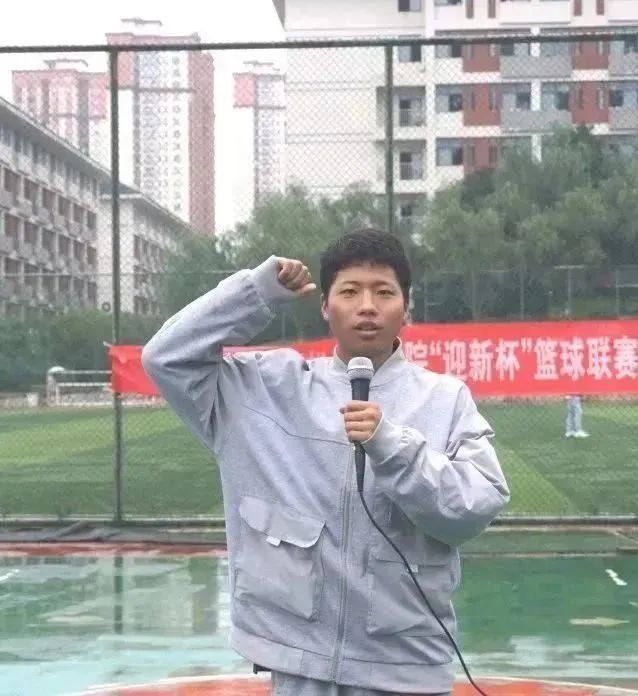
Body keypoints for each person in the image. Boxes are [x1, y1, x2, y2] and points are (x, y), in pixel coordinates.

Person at [142, 229, 510, 696]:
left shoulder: (444, 398)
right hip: (299, 664)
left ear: (406, 308)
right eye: (349, 291)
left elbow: (475, 506)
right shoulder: (268, 387)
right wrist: (256, 292)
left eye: (384, 292)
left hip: (405, 667)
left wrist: (393, 447)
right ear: (324, 306)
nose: (367, 307)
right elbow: (166, 357)